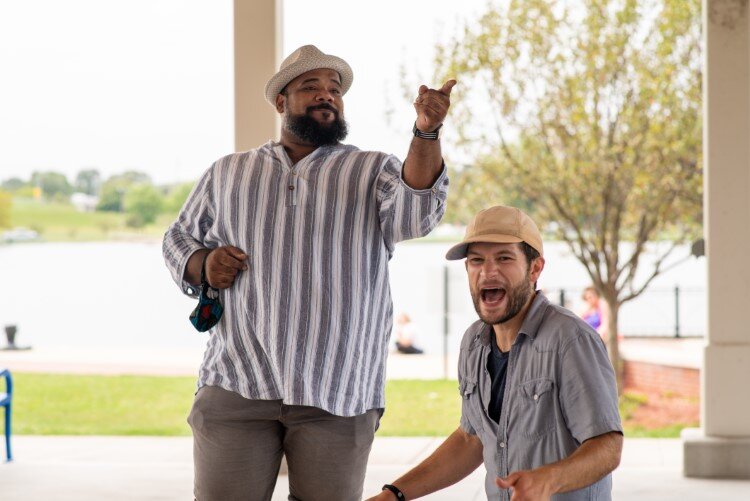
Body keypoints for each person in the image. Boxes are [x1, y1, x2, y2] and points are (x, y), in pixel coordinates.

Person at [162, 44, 454, 501]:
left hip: (339, 390)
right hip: (238, 382)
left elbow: (416, 214)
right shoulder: (229, 172)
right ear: (281, 101)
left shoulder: (372, 169)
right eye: (310, 87)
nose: (326, 96)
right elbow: (178, 239)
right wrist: (203, 263)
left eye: (334, 90)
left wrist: (426, 132)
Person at [367, 205, 623, 501]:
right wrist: (395, 494)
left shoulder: (571, 339)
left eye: (504, 258)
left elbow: (607, 446)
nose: (488, 271)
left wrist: (547, 481)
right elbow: (471, 439)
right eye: (477, 261)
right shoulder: (474, 342)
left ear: (535, 268)